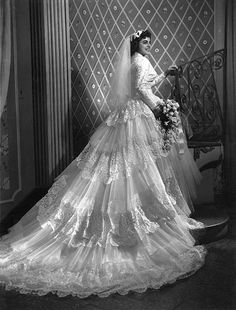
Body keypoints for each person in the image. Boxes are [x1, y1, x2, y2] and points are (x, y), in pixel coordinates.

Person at [0, 29, 205, 298]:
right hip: (137, 117)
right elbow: (144, 90)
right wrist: (160, 107)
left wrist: (165, 77)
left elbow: (142, 84)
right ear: (135, 43)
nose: (149, 46)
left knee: (121, 170)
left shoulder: (132, 62)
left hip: (124, 116)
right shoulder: (140, 62)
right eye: (145, 42)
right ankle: (130, 228)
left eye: (150, 42)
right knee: (135, 171)